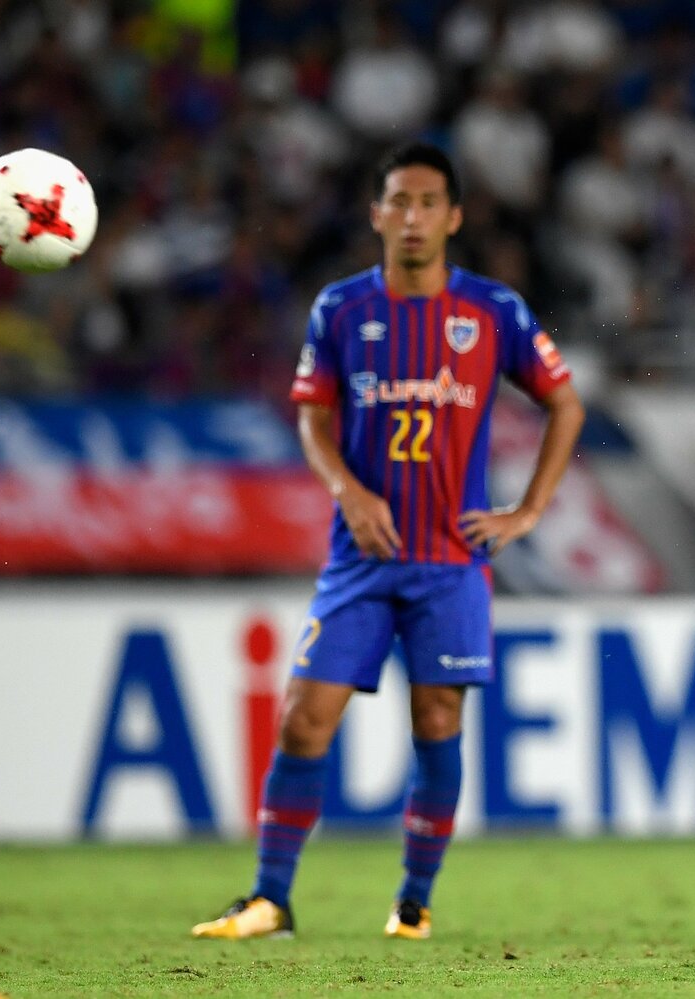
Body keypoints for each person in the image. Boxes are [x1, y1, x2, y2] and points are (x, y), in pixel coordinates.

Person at [192, 141, 586, 941]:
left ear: (454, 217)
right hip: (361, 558)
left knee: (437, 720)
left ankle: (414, 901)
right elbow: (312, 418)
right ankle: (270, 897)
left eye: (428, 202)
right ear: (376, 214)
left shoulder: (493, 311)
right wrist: (347, 487)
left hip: (451, 561)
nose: (413, 217)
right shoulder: (341, 309)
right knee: (304, 717)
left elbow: (565, 404)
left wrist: (526, 512)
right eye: (399, 201)